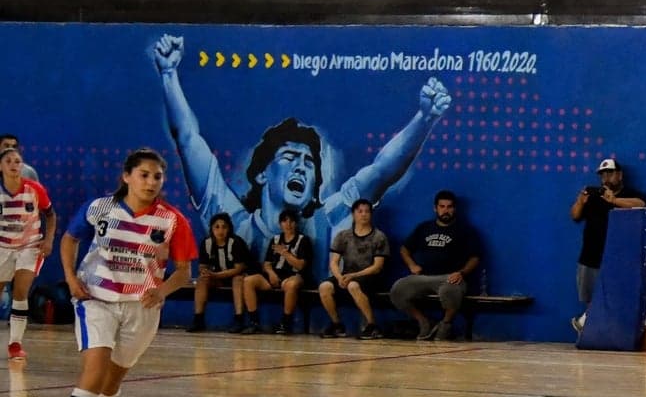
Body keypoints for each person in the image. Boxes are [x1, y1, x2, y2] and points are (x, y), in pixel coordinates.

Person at [149, 34, 450, 262]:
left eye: (309, 162)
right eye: (290, 157)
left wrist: (424, 119)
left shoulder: (329, 218)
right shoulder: (233, 219)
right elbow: (188, 139)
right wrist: (168, 74)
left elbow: (383, 171)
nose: (301, 167)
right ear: (263, 174)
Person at [54, 148, 196, 397]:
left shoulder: (173, 220)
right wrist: (72, 278)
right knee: (94, 369)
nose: (150, 182)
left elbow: (184, 272)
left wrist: (161, 291)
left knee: (113, 380)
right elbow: (69, 239)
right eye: (144, 175)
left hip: (141, 308)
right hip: (96, 299)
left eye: (157, 176)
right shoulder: (99, 208)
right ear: (127, 176)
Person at [571, 157, 646, 334]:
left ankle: (592, 326)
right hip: (590, 255)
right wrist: (580, 202)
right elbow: (575, 216)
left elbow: (641, 205)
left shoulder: (628, 193)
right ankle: (591, 330)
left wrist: (614, 201)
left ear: (619, 175)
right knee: (590, 298)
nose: (606, 178)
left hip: (616, 257)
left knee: (613, 296)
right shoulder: (592, 197)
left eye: (610, 173)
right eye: (603, 175)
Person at [393, 190, 482, 342]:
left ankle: (446, 324)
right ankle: (424, 322)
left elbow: (475, 258)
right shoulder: (424, 228)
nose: (445, 210)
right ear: (435, 208)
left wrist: (461, 273)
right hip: (423, 277)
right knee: (398, 290)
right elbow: (404, 249)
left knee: (451, 290)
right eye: (442, 206)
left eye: (449, 207)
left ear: (454, 209)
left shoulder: (465, 230)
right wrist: (412, 265)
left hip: (449, 277)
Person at [1, 140, 54, 364]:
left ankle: (15, 344)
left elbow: (51, 215)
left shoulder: (35, 189)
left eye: (18, 161)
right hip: (3, 246)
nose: (14, 165)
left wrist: (48, 240)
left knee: (20, 293)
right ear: (1, 166)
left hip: (29, 246)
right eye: (9, 161)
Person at [317, 199, 390, 339]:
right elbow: (334, 262)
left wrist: (353, 275)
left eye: (367, 211)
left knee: (353, 285)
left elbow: (377, 267)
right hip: (346, 275)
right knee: (324, 287)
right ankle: (337, 324)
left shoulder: (379, 237)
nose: (364, 215)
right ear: (353, 214)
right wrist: (339, 277)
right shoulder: (343, 236)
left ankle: (372, 325)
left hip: (370, 277)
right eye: (360, 211)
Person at [242, 208, 313, 335]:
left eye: (291, 221)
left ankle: (286, 322)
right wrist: (271, 274)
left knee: (292, 285)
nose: (288, 224)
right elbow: (267, 263)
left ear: (296, 224)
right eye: (285, 221)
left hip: (293, 275)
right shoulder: (275, 239)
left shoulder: (303, 240)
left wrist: (285, 253)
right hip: (274, 276)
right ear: (280, 224)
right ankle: (254, 322)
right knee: (248, 281)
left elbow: (301, 265)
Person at [188, 212, 257, 333]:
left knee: (238, 279)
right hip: (217, 277)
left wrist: (215, 275)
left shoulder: (236, 242)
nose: (220, 230)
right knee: (201, 280)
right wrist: (205, 272)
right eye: (217, 227)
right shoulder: (206, 243)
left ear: (229, 228)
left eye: (224, 227)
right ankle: (198, 319)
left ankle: (239, 319)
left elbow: (239, 268)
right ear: (212, 229)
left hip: (237, 277)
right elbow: (202, 266)